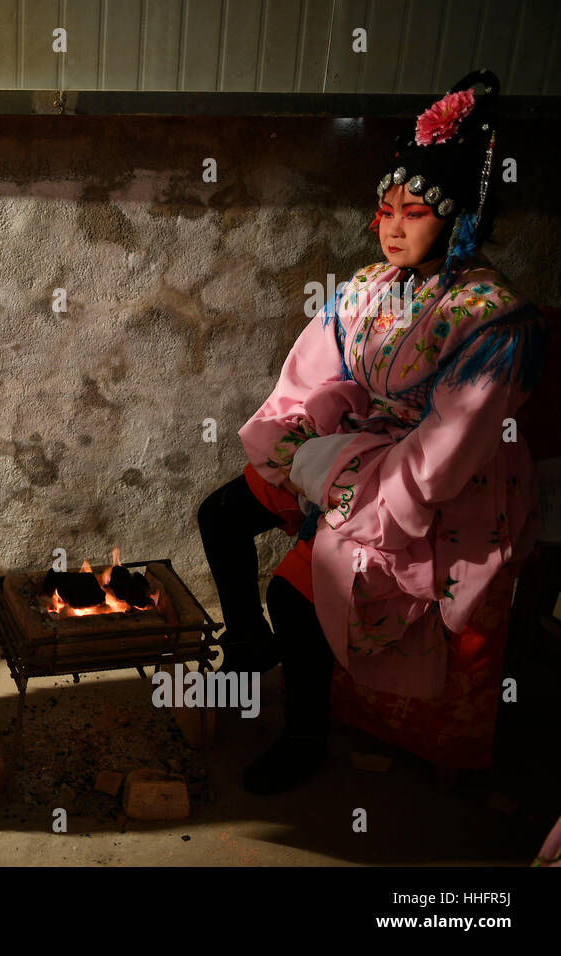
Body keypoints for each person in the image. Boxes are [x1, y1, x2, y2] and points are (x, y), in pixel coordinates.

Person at [197, 69, 549, 795]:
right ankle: (249, 645)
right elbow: (307, 377)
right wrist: (299, 442)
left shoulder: (492, 317)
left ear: (455, 221)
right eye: (384, 210)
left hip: (444, 486)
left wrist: (338, 483)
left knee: (298, 591)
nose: (392, 227)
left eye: (414, 213)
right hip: (358, 445)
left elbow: (450, 452)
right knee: (222, 514)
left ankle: (304, 737)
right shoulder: (368, 289)